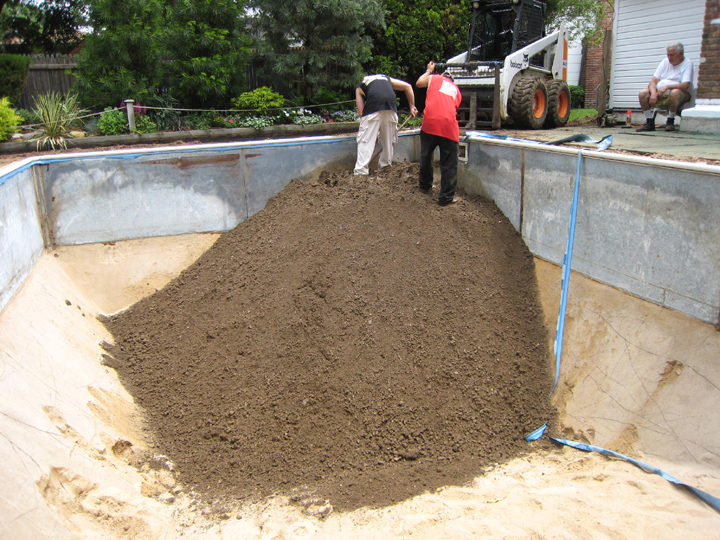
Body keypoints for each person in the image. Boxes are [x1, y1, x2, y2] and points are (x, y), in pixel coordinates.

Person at [415, 61, 462, 206]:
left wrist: (429, 70)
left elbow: (418, 83)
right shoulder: (457, 90)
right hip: (448, 127)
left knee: (426, 155)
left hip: (429, 123)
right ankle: (446, 198)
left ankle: (424, 186)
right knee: (449, 163)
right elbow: (451, 109)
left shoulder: (433, 78)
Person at [354, 74, 418, 176]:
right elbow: (408, 86)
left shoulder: (360, 87)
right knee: (388, 140)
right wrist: (412, 106)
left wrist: (372, 133)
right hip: (391, 107)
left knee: (365, 140)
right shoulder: (386, 78)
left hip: (372, 109)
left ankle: (360, 173)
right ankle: (385, 168)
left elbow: (362, 115)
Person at [636, 42, 693, 132]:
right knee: (643, 93)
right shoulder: (665, 62)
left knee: (675, 92)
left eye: (672, 55)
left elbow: (686, 85)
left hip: (679, 95)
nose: (669, 58)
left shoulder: (687, 63)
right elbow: (653, 81)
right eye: (668, 55)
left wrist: (667, 87)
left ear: (680, 54)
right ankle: (649, 122)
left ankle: (670, 121)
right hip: (660, 94)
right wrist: (654, 93)